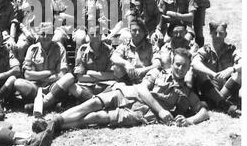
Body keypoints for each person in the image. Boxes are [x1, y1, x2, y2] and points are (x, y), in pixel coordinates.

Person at [33, 48, 209, 132]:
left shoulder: (186, 91)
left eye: (183, 66)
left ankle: (52, 127)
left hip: (142, 113)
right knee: (94, 102)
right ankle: (56, 120)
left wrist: (190, 121)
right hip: (130, 94)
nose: (179, 68)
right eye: (177, 64)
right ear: (172, 62)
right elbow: (141, 89)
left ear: (188, 68)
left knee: (97, 118)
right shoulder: (157, 72)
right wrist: (162, 110)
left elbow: (203, 112)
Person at [14, 22, 75, 114]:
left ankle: (43, 103)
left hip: (53, 86)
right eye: (42, 34)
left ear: (53, 35)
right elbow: (27, 75)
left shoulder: (59, 48)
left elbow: (62, 74)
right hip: (36, 87)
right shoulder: (32, 49)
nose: (46, 37)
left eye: (49, 34)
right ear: (38, 34)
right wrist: (48, 72)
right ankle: (52, 101)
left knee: (70, 77)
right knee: (18, 83)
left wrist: (44, 77)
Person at [192, 22, 241, 117]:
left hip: (226, 88)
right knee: (198, 71)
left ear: (225, 34)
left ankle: (215, 102)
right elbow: (194, 63)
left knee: (240, 72)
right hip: (210, 87)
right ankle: (225, 105)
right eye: (215, 33)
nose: (218, 36)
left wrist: (231, 69)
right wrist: (213, 74)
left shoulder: (231, 49)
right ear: (210, 34)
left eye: (221, 33)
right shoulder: (206, 49)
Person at [72, 25, 115, 101]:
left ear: (101, 34)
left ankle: (91, 100)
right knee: (73, 88)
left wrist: (89, 72)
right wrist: (100, 77)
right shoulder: (82, 50)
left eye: (97, 33)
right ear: (88, 35)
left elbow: (112, 75)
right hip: (87, 86)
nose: (95, 36)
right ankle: (96, 100)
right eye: (92, 34)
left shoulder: (109, 50)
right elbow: (80, 77)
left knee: (117, 87)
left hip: (105, 86)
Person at [111, 18, 160, 85]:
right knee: (117, 67)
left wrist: (143, 70)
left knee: (155, 71)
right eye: (134, 30)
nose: (137, 33)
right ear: (130, 31)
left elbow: (157, 64)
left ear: (144, 32)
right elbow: (114, 57)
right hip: (127, 79)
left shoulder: (151, 47)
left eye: (140, 30)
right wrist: (126, 64)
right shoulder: (125, 45)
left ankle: (143, 89)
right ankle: (124, 87)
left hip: (145, 80)